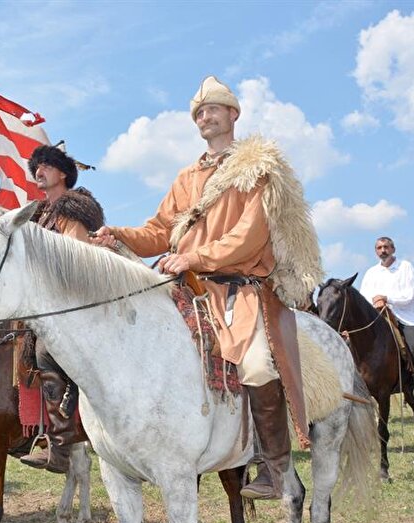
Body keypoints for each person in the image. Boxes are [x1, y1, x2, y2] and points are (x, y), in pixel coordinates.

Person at [91, 76, 323, 499]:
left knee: (256, 366)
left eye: (213, 108)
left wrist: (193, 257)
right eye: (198, 112)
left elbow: (249, 236)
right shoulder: (186, 178)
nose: (205, 116)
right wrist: (119, 236)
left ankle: (274, 467)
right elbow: (160, 230)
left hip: (241, 291)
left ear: (233, 114)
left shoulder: (258, 170)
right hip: (189, 288)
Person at [18, 143, 104, 474]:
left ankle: (61, 442)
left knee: (44, 349)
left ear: (63, 173)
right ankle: (25, 430)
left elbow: (75, 257)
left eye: (46, 166)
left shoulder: (74, 210)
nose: (38, 171)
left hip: (77, 300)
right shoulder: (40, 215)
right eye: (35, 167)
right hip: (46, 304)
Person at [359, 237, 414, 400]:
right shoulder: (371, 273)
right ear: (375, 251)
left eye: (386, 247)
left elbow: (410, 295)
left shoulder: (405, 267)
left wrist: (386, 298)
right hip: (376, 319)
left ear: (393, 249)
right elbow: (364, 298)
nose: (382, 250)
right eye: (379, 248)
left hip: (403, 317)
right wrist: (374, 303)